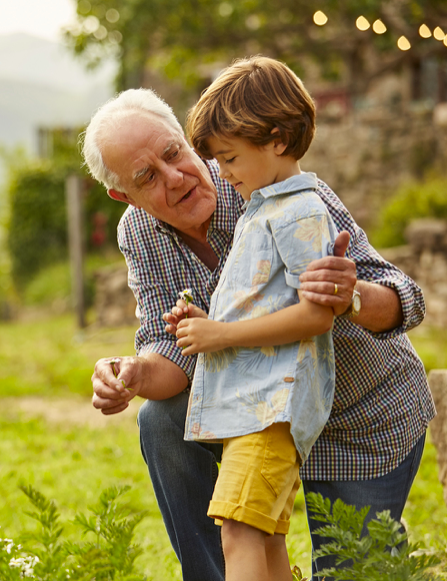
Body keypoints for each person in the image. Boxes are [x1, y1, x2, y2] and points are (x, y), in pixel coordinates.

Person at [81, 84, 435, 580]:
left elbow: (404, 295)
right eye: (147, 176)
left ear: (185, 138)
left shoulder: (270, 181)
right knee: (161, 421)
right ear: (124, 194)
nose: (176, 176)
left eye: (172, 153)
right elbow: (174, 351)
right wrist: (134, 372)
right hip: (260, 417)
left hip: (357, 418)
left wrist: (349, 295)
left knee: (356, 573)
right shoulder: (138, 232)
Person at [164, 56, 337, 581]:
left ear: (278, 140)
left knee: (238, 534)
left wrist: (222, 334)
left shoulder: (300, 211)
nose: (223, 172)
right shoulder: (261, 209)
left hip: (273, 406)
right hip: (254, 405)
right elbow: (266, 302)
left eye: (231, 157)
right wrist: (205, 321)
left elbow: (316, 316)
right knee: (264, 541)